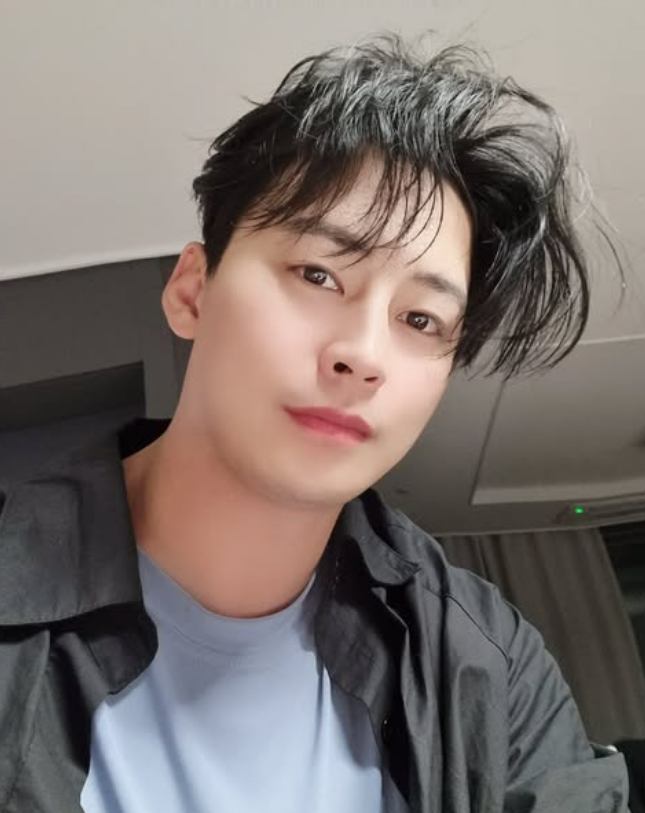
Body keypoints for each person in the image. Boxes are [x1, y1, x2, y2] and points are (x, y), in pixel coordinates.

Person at [0, 31, 629, 813]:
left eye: (421, 319)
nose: (362, 354)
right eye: (318, 274)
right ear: (192, 291)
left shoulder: (486, 664)